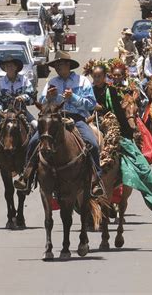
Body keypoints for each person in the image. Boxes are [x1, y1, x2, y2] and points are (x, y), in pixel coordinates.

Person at [14, 51, 103, 196]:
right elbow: (42, 103)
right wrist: (48, 97)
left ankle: (95, 180)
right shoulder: (52, 82)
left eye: (60, 65)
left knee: (92, 143)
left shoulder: (82, 81)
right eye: (56, 66)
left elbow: (91, 104)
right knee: (34, 141)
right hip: (54, 119)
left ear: (68, 65)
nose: (57, 68)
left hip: (77, 118)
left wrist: (73, 97)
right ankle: (27, 176)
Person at [0, 55, 36, 164]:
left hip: (21, 112)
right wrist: (1, 110)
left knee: (36, 125)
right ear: (4, 68)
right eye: (6, 66)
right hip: (3, 113)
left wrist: (23, 97)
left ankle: (37, 153)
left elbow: (32, 96)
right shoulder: (0, 83)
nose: (8, 67)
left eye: (11, 65)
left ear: (16, 67)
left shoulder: (25, 81)